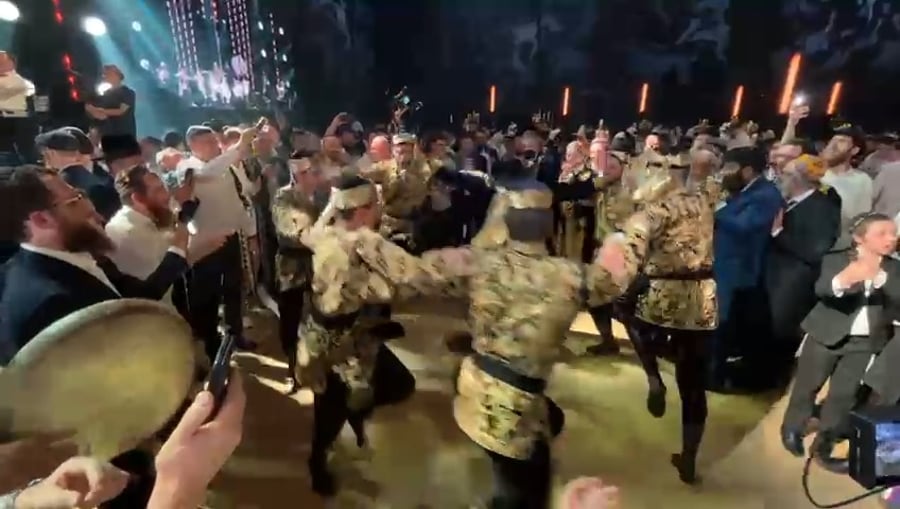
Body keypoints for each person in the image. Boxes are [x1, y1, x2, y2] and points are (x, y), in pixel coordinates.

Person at [0, 164, 190, 507]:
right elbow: (99, 411)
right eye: (74, 201)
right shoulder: (48, 302)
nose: (92, 207)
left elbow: (135, 299)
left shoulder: (77, 257)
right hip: (107, 474)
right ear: (40, 220)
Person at [437, 178, 627, 508]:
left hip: (475, 384)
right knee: (523, 492)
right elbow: (613, 282)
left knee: (546, 430)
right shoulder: (571, 276)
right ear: (550, 225)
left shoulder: (479, 263)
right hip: (509, 407)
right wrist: (624, 241)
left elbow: (428, 275)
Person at [298, 174, 468, 497]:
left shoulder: (324, 234)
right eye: (376, 203)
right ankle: (318, 462)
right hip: (344, 344)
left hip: (320, 333)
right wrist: (464, 260)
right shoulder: (366, 243)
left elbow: (313, 234)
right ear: (363, 210)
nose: (380, 207)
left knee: (364, 392)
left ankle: (349, 418)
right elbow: (422, 275)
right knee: (336, 408)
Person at [781, 213, 899, 473]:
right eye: (882, 233)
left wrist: (883, 280)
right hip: (825, 335)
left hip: (865, 342)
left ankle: (825, 439)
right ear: (860, 237)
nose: (891, 238)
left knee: (843, 395)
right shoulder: (837, 259)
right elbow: (823, 288)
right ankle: (793, 426)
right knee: (807, 385)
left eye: (893, 233)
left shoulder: (895, 269)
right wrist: (843, 280)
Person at [765, 155, 841, 379]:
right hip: (778, 277)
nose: (781, 177)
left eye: (786, 173)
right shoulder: (790, 201)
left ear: (799, 179)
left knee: (782, 336)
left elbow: (817, 251)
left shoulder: (822, 207)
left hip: (795, 282)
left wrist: (779, 234)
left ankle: (776, 381)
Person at [271, 151, 325, 393]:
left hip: (320, 263)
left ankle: (319, 367)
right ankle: (292, 369)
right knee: (290, 319)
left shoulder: (325, 195)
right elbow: (288, 231)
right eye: (300, 173)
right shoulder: (283, 198)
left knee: (322, 316)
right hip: (291, 265)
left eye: (309, 171)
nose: (305, 177)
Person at [86, 65, 136, 138]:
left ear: (117, 75)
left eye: (108, 74)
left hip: (124, 134)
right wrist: (91, 110)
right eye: (105, 74)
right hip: (108, 134)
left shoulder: (128, 92)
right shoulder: (106, 94)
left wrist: (101, 111)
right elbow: (96, 112)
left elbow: (121, 111)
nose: (105, 76)